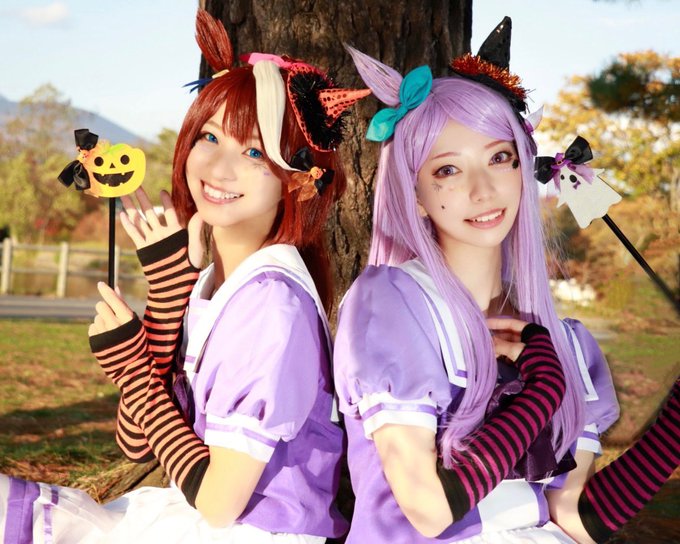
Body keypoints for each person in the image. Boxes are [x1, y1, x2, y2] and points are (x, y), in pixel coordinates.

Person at [0, 9, 367, 543]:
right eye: (210, 137)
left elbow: (219, 501)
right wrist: (168, 299)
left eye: (254, 152)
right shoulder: (219, 283)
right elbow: (136, 443)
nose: (218, 168)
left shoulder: (273, 307)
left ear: (299, 181)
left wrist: (133, 372)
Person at [333, 17, 679, 544]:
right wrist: (542, 393)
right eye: (447, 170)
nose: (483, 189)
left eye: (500, 158)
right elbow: (429, 510)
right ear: (415, 194)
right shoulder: (391, 305)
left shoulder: (562, 340)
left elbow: (575, 518)